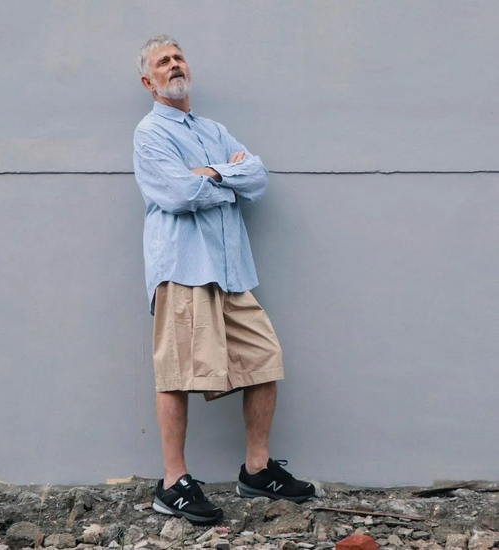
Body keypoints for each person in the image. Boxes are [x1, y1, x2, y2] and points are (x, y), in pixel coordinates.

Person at [133, 35, 315, 524]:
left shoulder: (214, 130)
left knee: (263, 360)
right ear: (148, 81)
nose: (174, 65)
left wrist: (209, 173)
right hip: (184, 268)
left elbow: (257, 177)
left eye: (178, 57)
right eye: (163, 62)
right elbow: (178, 194)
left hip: (231, 271)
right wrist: (225, 178)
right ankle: (173, 482)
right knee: (177, 374)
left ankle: (256, 470)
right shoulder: (150, 134)